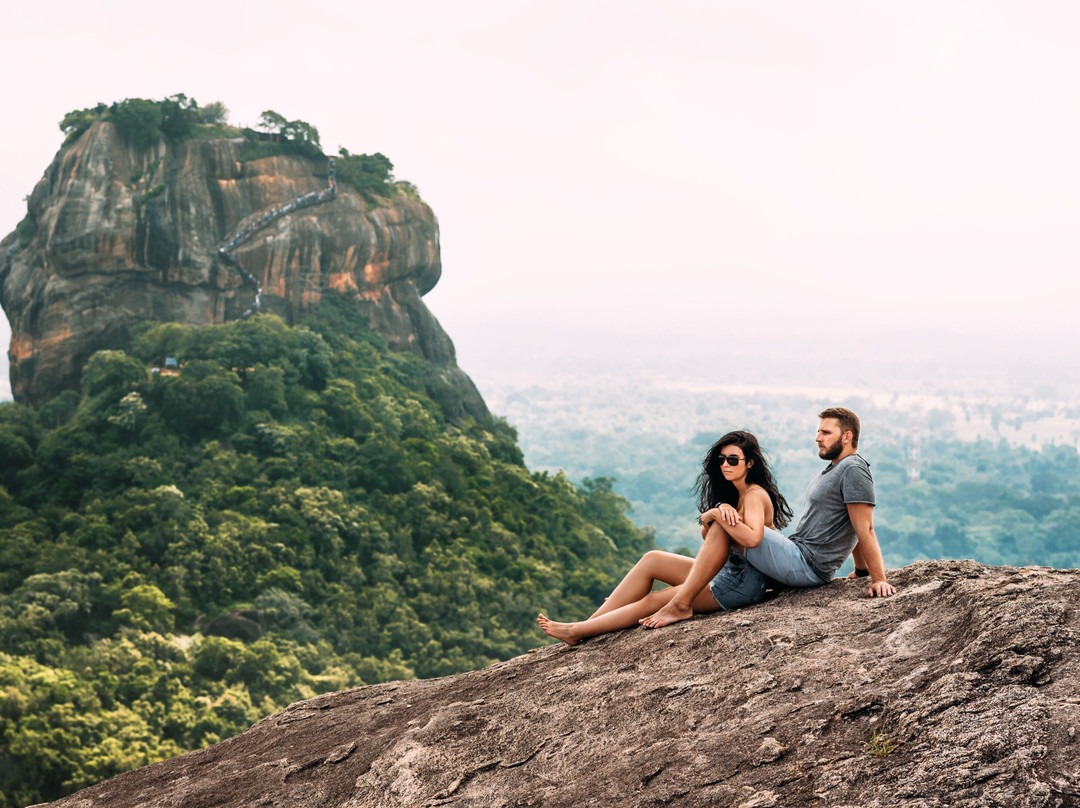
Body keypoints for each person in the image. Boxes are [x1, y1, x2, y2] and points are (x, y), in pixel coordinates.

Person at [537, 409, 895, 646]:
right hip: (788, 557)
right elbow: (847, 522)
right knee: (652, 559)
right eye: (817, 431)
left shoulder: (852, 470)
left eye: (825, 432)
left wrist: (877, 577)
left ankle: (671, 607)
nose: (817, 437)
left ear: (847, 436)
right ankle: (588, 627)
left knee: (673, 580)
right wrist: (860, 570)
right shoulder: (834, 470)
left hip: (801, 564)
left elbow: (864, 527)